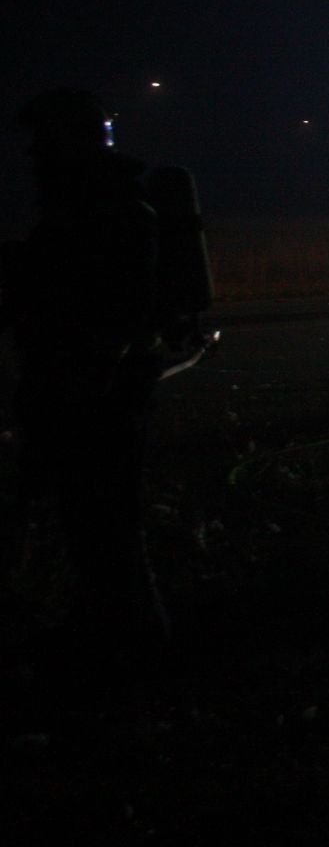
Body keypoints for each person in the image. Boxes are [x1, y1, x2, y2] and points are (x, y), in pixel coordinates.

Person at [2, 89, 170, 651]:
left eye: (43, 142)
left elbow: (116, 309)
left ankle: (130, 647)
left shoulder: (110, 213)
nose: (32, 155)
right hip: (78, 390)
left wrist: (84, 382)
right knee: (88, 525)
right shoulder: (82, 210)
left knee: (107, 526)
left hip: (97, 398)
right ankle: (111, 630)